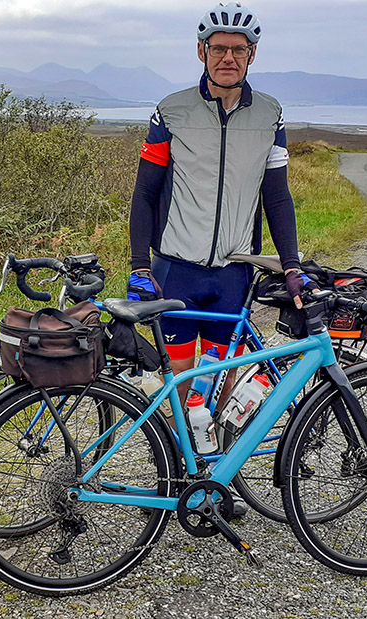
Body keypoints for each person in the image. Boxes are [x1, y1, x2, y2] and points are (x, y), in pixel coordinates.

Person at [128, 2, 310, 403]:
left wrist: (292, 264)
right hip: (176, 271)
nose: (228, 57)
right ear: (201, 51)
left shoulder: (270, 114)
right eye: (218, 48)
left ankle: (218, 464)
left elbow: (277, 197)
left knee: (221, 385)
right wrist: (140, 265)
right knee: (180, 384)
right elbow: (144, 192)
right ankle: (177, 464)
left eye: (238, 49)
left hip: (233, 275)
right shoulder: (171, 110)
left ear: (252, 54)